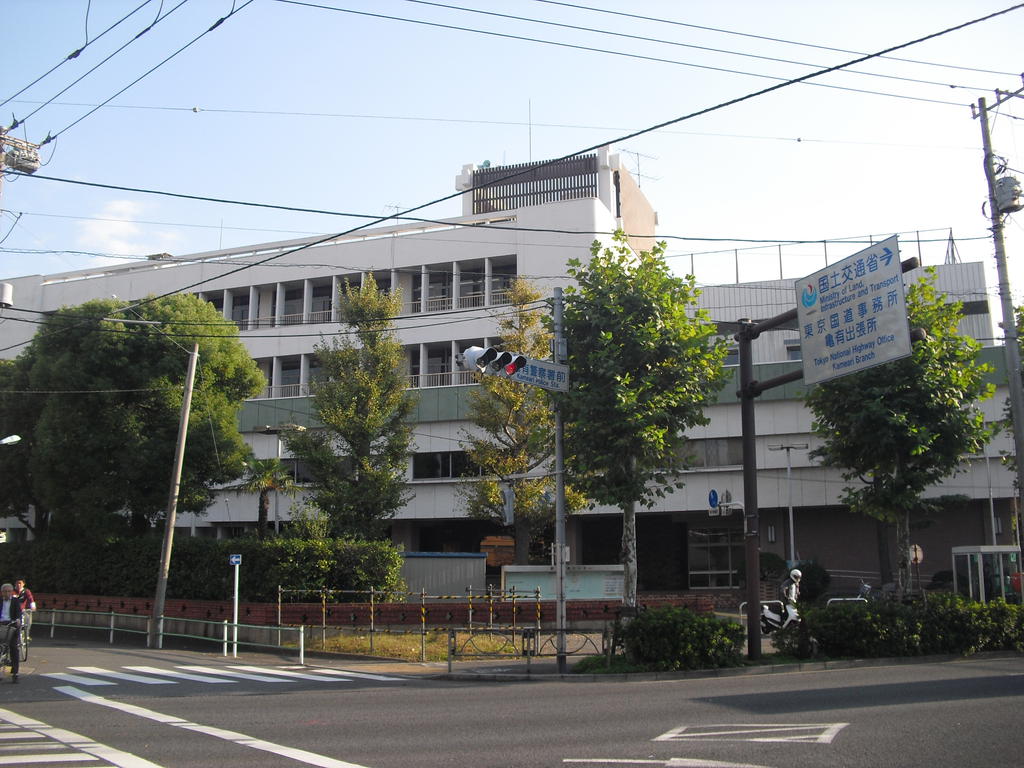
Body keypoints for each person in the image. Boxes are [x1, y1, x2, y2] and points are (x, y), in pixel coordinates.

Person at [0, 583, 21, 683]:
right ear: (2, 592)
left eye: (9, 591)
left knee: (13, 647)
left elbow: (18, 613)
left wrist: (17, 620)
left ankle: (15, 672)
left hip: (12, 625)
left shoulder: (16, 601)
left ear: (12, 592)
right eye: (5, 591)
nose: (7, 593)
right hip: (1, 624)